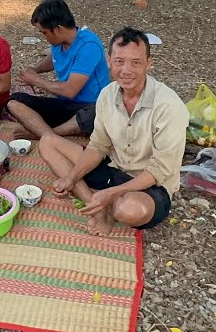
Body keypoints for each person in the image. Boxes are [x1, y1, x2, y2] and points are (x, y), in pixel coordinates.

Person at [38, 27, 187, 236]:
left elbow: (159, 171)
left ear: (148, 64)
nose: (126, 70)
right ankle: (97, 207)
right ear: (109, 60)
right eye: (119, 61)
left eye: (136, 63)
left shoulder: (169, 106)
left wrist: (111, 193)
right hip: (113, 167)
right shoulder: (107, 94)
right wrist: (71, 177)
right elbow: (98, 145)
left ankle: (105, 203)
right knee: (47, 141)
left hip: (149, 182)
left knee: (130, 210)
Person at [6, 0, 111, 138]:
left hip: (87, 107)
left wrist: (36, 81)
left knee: (96, 114)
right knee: (14, 102)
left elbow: (69, 91)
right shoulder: (59, 42)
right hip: (64, 104)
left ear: (58, 29)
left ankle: (46, 134)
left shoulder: (89, 46)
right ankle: (48, 131)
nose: (44, 37)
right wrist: (35, 69)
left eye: (44, 33)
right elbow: (54, 59)